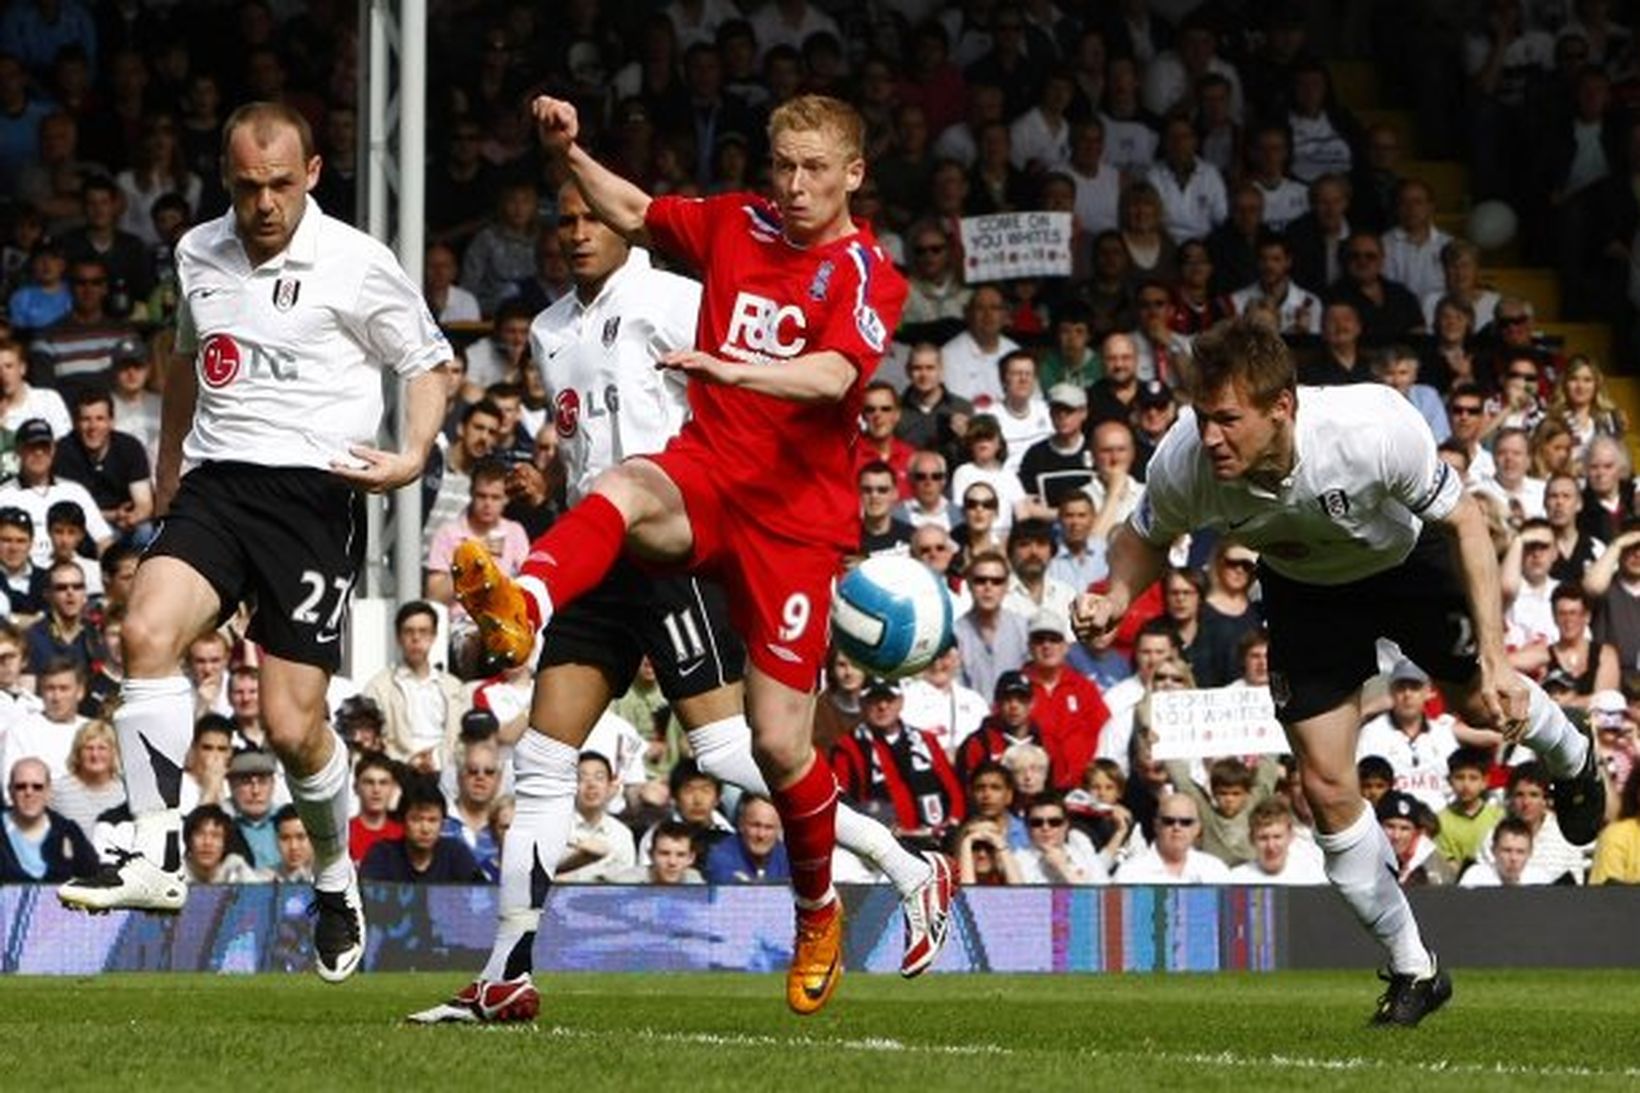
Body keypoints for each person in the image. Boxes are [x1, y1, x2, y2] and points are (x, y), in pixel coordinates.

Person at [417, 101, 944, 1022]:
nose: (792, 185)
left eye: (813, 169)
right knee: (617, 494)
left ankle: (828, 900)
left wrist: (738, 371)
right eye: (781, 165)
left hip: (790, 523)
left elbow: (834, 376)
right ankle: (526, 599)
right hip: (694, 481)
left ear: (853, 173)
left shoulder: (863, 271)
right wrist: (568, 151)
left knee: (770, 745)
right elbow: (641, 208)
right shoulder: (734, 222)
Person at [1073, 316, 1603, 1025]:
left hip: (1407, 565)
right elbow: (1145, 536)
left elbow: (1467, 522)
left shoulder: (1371, 424)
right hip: (1305, 590)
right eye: (1203, 418)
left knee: (1481, 704)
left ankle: (1575, 757)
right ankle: (1416, 968)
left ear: (1282, 406)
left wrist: (1499, 656)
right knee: (1324, 787)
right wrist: (1114, 595)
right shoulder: (1186, 461)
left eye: (1228, 419)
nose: (1210, 437)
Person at [56, 103, 452, 991]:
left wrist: (414, 455)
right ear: (226, 180)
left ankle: (334, 876)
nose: (264, 204)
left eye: (280, 184)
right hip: (218, 487)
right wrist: (166, 475)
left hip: (315, 500)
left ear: (312, 173)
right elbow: (186, 359)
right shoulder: (198, 251)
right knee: (146, 633)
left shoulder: (356, 262)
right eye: (246, 187)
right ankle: (158, 855)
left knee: (290, 726)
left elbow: (430, 361)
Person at [360, 777, 487, 884]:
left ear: (442, 823)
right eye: (416, 820)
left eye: (432, 820)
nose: (425, 829)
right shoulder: (382, 855)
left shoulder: (456, 854)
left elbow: (482, 898)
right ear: (403, 820)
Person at [1, 756, 99, 882]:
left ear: (48, 791)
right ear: (10, 791)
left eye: (37, 787)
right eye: (21, 786)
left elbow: (93, 876)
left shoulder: (68, 831)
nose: (29, 793)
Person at [1112, 792, 1234, 884]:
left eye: (1186, 822)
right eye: (1168, 821)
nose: (1177, 827)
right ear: (1156, 826)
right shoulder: (1130, 873)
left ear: (1197, 828)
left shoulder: (1215, 870)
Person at [555, 752, 637, 883]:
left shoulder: (622, 834)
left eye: (599, 777)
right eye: (581, 778)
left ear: (611, 786)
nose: (591, 784)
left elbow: (625, 886)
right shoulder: (554, 828)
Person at [1227, 798, 1327, 885]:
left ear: (1290, 837)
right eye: (1263, 838)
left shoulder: (1313, 877)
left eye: (1277, 837)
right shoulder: (1235, 880)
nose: (1271, 846)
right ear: (1251, 839)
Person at [704, 792, 790, 883]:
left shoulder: (788, 857)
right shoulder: (720, 857)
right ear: (741, 825)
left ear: (779, 830)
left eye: (769, 827)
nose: (761, 835)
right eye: (755, 825)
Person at [1458, 816, 1551, 887]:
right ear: (1493, 850)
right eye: (1507, 850)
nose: (1513, 858)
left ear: (1530, 853)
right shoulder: (1475, 877)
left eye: (1520, 852)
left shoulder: (1540, 880)